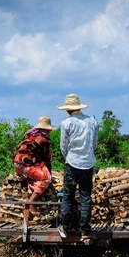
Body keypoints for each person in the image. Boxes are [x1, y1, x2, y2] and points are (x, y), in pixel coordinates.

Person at [56, 94, 98, 241]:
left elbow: (63, 146)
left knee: (68, 196)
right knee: (86, 197)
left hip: (72, 163)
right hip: (88, 163)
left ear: (67, 109)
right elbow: (94, 144)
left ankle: (66, 228)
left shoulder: (66, 123)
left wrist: (68, 157)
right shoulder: (92, 121)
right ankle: (85, 231)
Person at [13, 116, 56, 217]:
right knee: (46, 179)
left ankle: (24, 175)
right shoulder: (43, 140)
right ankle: (31, 202)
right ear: (47, 129)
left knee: (38, 171)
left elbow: (21, 152)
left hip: (17, 163)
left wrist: (18, 172)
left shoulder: (30, 136)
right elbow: (46, 159)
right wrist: (49, 174)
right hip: (26, 165)